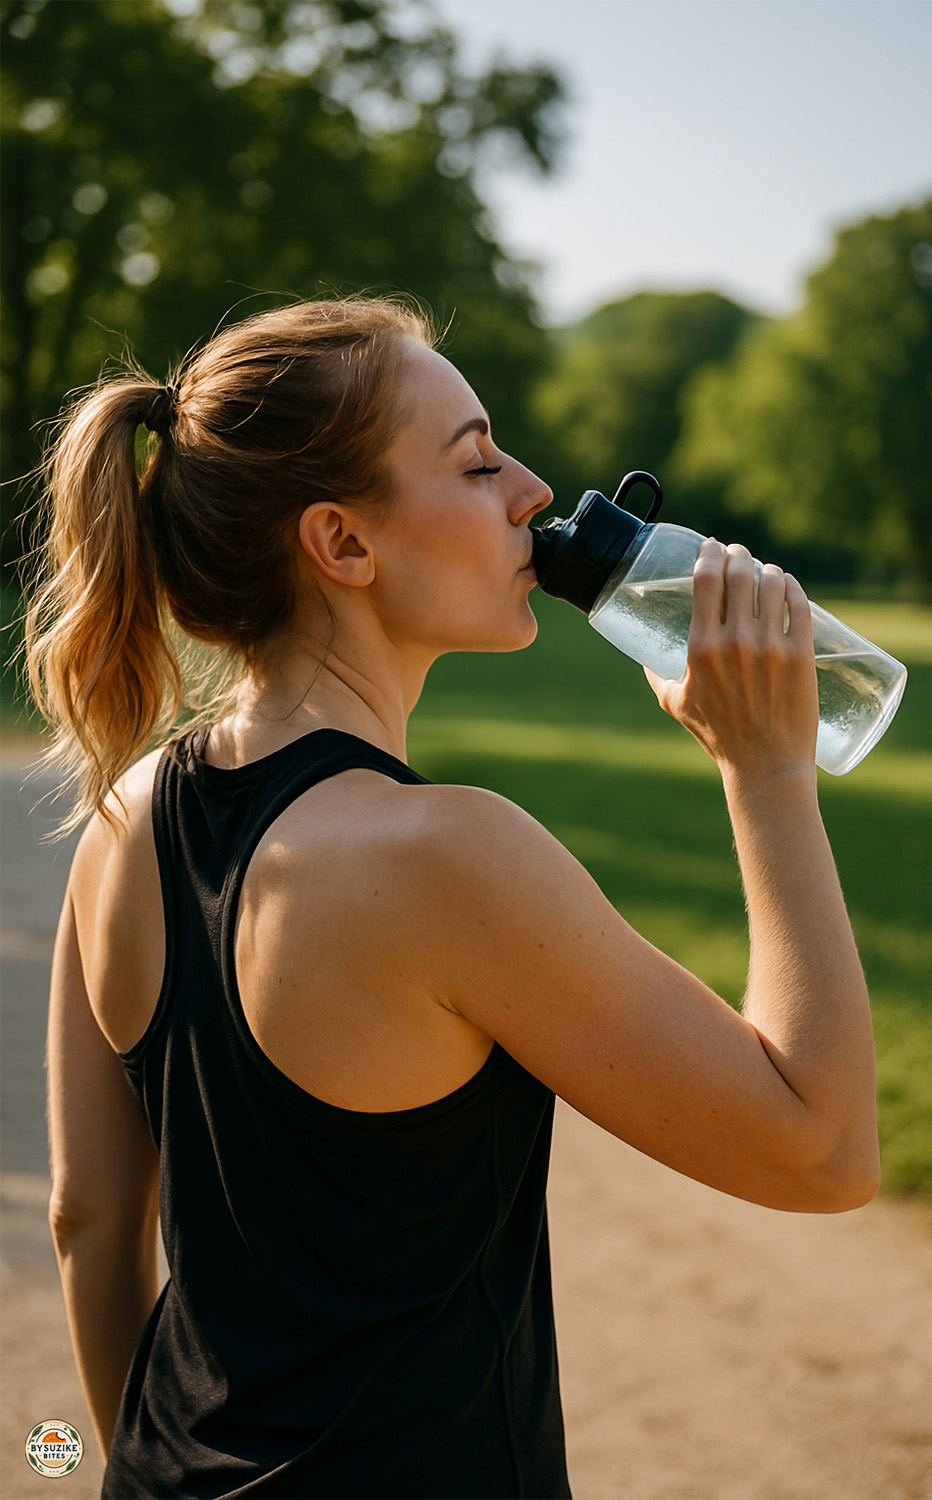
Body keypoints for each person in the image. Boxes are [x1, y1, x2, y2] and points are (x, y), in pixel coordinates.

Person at [28, 296, 879, 1500]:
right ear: (343, 543)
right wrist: (769, 773)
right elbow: (821, 1149)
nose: (533, 489)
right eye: (476, 461)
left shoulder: (122, 817)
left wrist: (140, 1467)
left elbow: (89, 1221)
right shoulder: (446, 856)